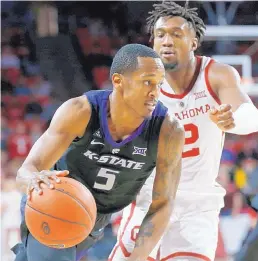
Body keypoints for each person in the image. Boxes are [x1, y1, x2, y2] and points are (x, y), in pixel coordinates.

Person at [109, 2, 258, 261]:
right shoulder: (138, 86)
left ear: (193, 42)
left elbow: (251, 116)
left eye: (176, 34)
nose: (167, 40)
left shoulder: (217, 74)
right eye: (160, 35)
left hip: (197, 208)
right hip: (149, 201)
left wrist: (233, 120)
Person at [12, 43, 185, 261]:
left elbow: (163, 204)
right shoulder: (80, 111)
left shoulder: (168, 131)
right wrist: (33, 180)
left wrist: (138, 257)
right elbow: (26, 170)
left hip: (96, 217)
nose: (155, 93)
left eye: (159, 84)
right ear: (118, 81)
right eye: (147, 82)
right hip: (53, 200)